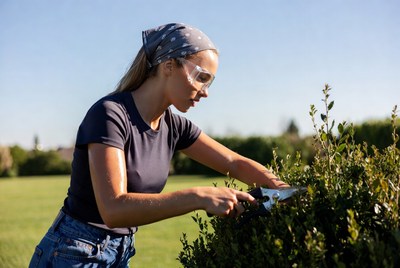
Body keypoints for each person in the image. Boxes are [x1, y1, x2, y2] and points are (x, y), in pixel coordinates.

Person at [29, 22, 289, 267]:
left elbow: (233, 162)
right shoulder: (110, 114)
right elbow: (113, 209)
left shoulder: (174, 126)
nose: (206, 91)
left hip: (119, 250)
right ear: (168, 65)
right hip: (72, 251)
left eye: (210, 82)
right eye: (201, 77)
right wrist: (200, 196)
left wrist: (284, 189)